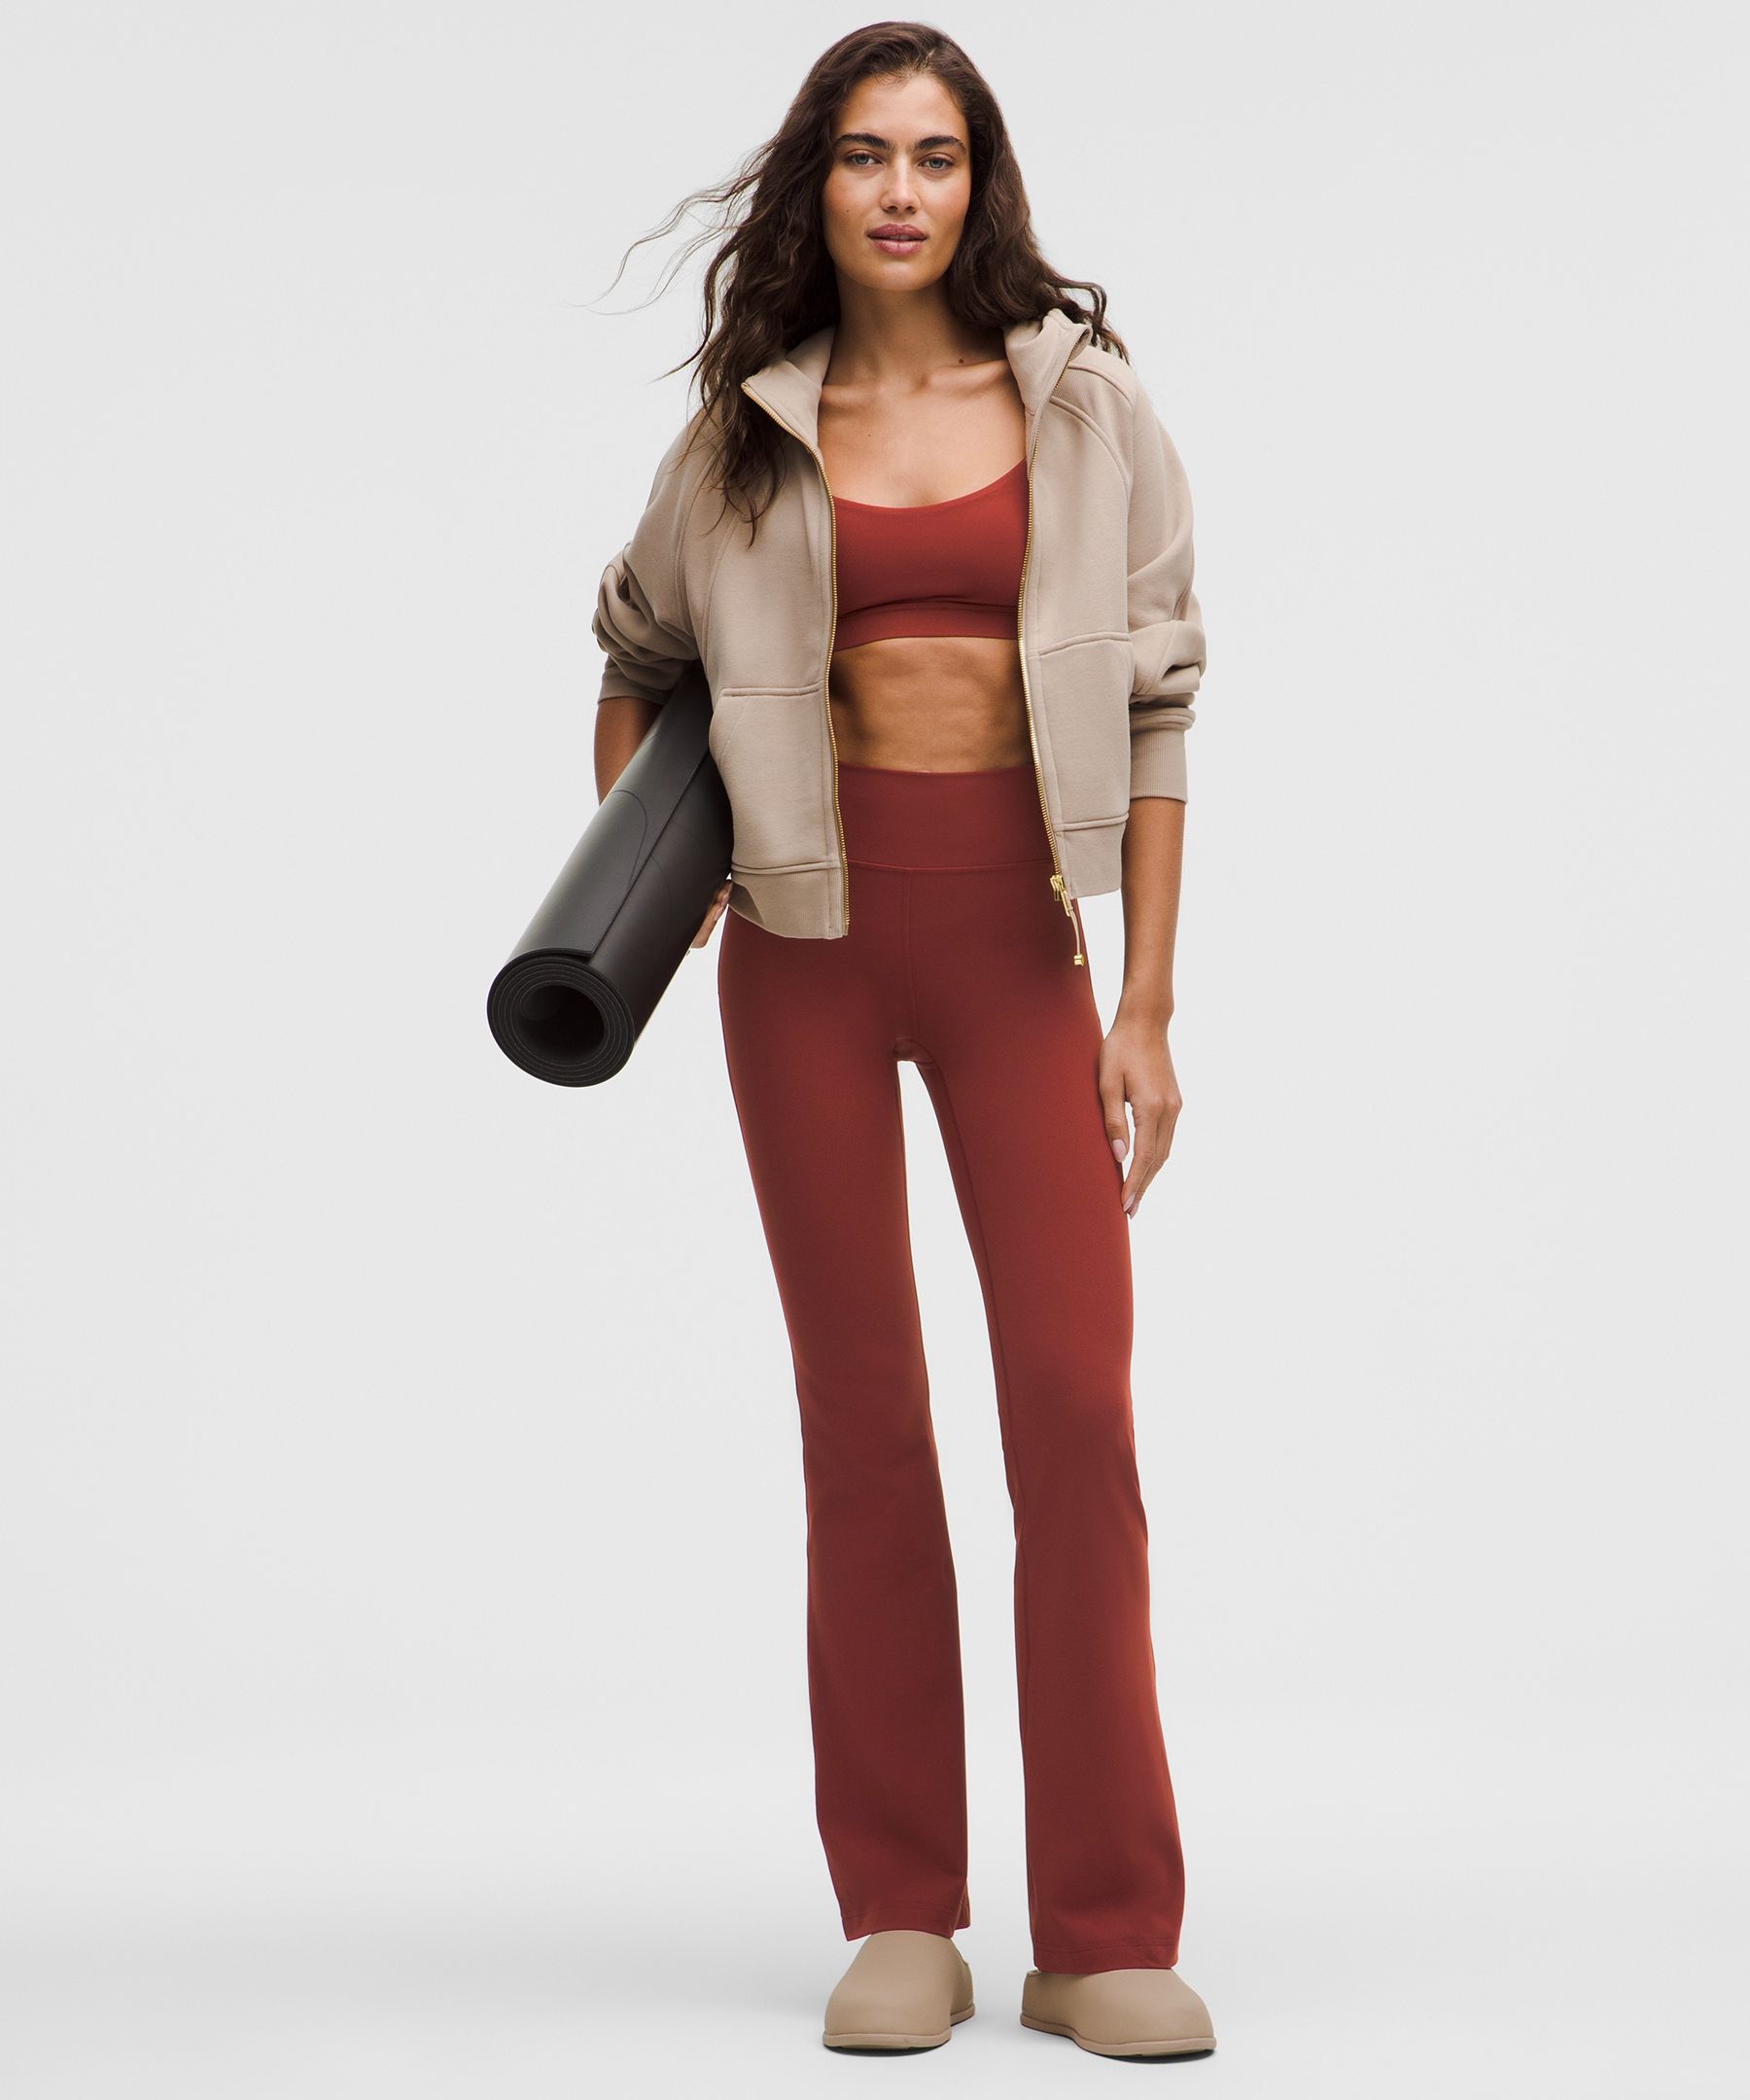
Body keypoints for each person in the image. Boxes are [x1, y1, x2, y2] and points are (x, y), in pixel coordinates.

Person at [592, 23, 1215, 2062]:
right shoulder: (746, 432)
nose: (899, 191)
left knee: (1074, 1411)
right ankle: (903, 1913)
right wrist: (658, 890)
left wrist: (1145, 1003)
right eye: (865, 155)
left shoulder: (1084, 404)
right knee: (865, 1422)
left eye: (935, 157)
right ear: (820, 183)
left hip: (1019, 948)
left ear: (979, 184)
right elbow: (635, 660)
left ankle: (1105, 1924)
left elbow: (1162, 705)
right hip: (804, 956)